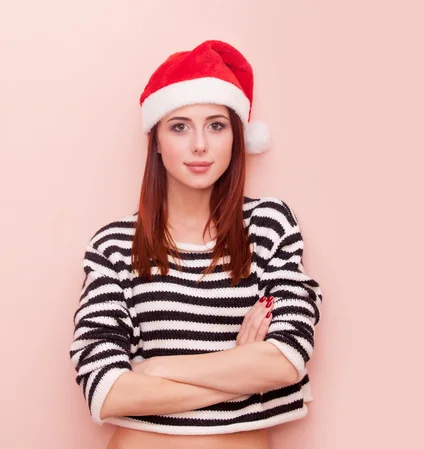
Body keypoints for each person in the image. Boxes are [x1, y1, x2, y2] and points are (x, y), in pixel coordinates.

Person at [69, 40, 323, 449]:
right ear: (155, 139)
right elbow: (105, 390)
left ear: (236, 136)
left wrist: (154, 368)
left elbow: (286, 358)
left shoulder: (269, 225)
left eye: (216, 125)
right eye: (180, 126)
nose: (200, 144)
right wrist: (239, 370)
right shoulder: (114, 244)